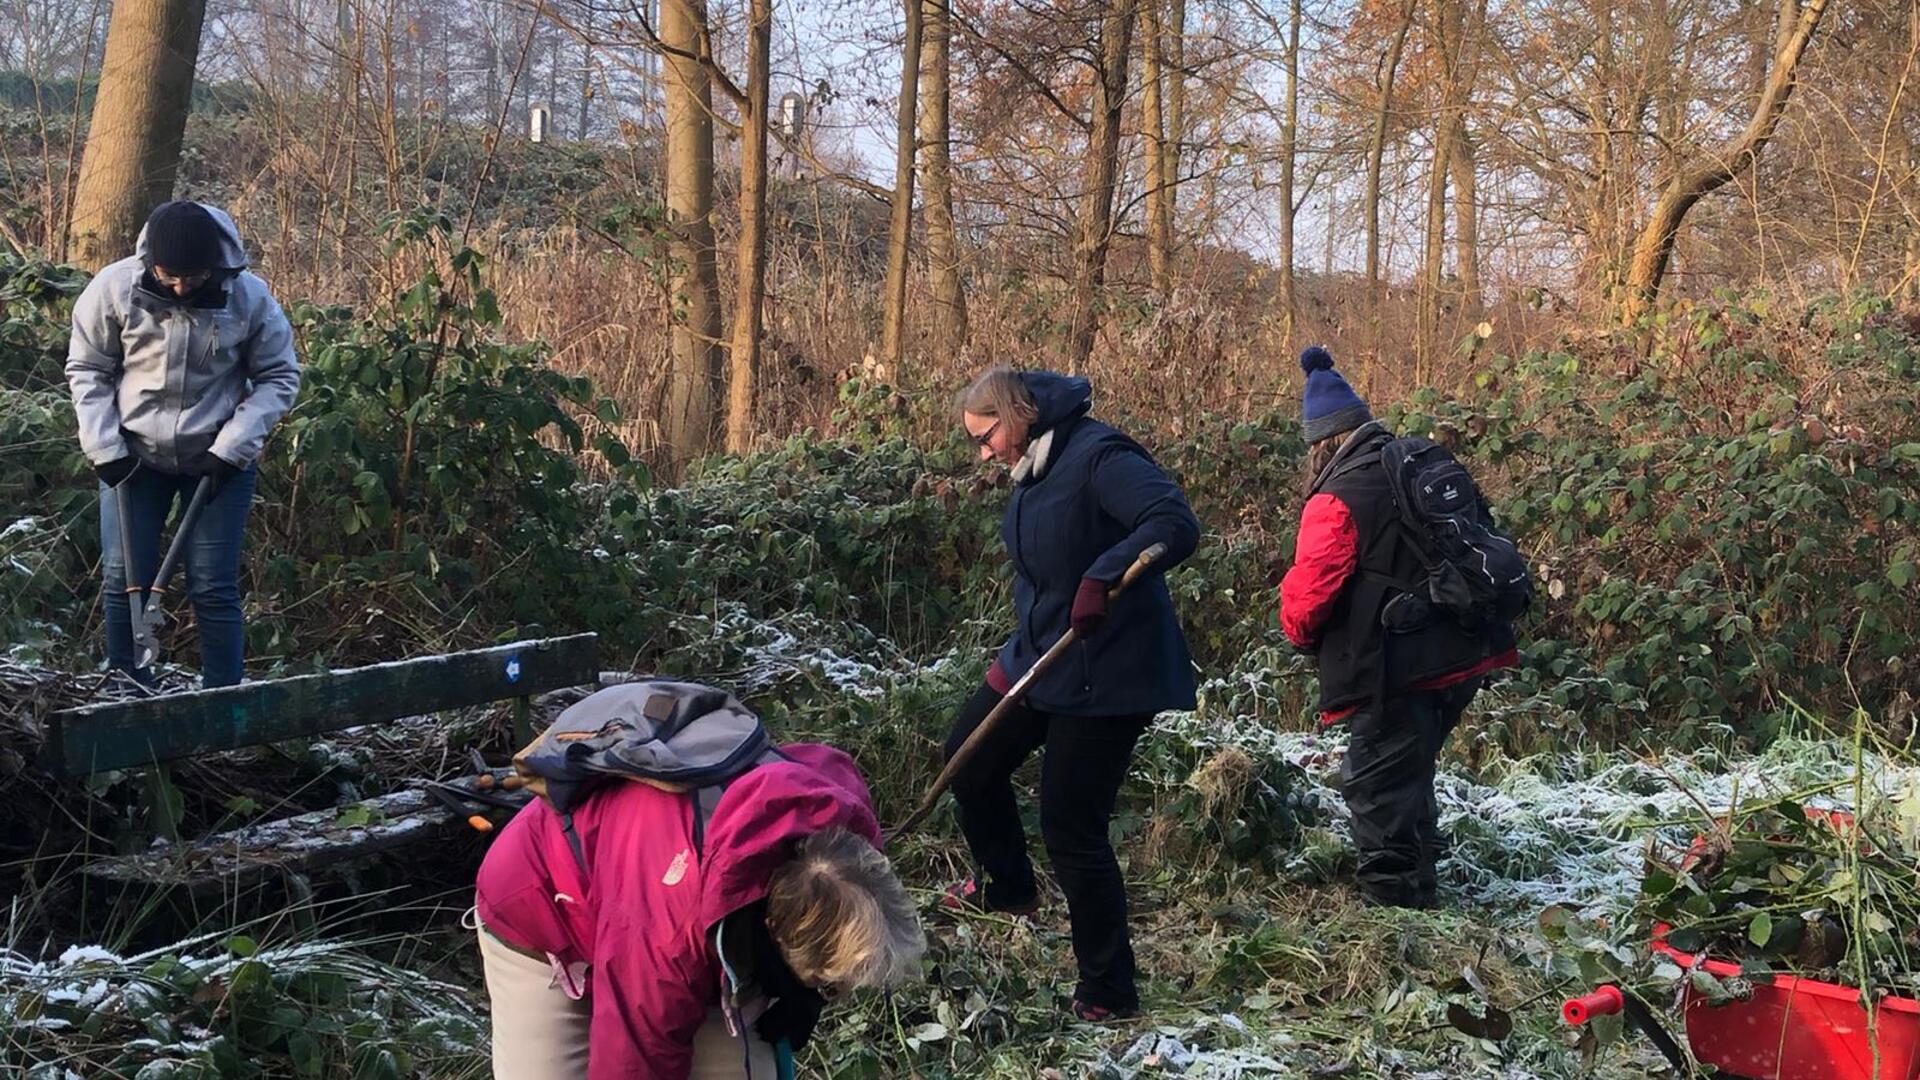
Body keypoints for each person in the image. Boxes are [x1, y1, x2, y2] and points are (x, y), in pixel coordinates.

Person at [942, 367, 1201, 1023]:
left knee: (1070, 824)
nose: (983, 453)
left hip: (1109, 670)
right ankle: (1007, 888)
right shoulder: (1032, 466)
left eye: (986, 436)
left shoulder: (1097, 456)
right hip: (1042, 653)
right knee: (968, 759)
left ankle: (1109, 989)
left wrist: (1105, 573)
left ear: (1019, 414)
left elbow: (1172, 520)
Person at [473, 740, 925, 1079]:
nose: (835, 994)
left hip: (665, 905)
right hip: (540, 907)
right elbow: (635, 1059)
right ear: (775, 931)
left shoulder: (846, 842)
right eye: (828, 985)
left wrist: (805, 993)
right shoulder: (666, 936)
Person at [1278, 345, 1518, 909]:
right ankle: (1422, 888)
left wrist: (1297, 633)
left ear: (1321, 445)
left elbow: (1310, 592)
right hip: (1462, 650)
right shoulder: (1417, 461)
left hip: (1398, 665)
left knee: (1374, 783)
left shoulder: (1336, 497)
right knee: (1409, 769)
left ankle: (1393, 910)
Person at [65, 199, 300, 688]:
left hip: (216, 463)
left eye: (192, 278)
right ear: (152, 260)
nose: (179, 287)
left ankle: (220, 705)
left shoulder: (249, 298)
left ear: (214, 265)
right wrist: (105, 448)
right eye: (169, 276)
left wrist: (232, 449)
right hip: (132, 459)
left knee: (212, 585)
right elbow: (88, 369)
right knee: (121, 579)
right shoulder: (114, 288)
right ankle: (127, 691)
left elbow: (279, 376)